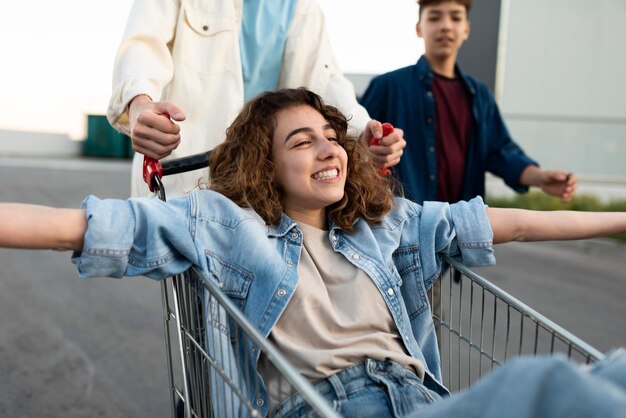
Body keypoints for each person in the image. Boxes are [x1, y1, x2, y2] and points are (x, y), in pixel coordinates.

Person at [2, 88, 626, 418]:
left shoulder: (382, 225)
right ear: (263, 163)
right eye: (303, 141)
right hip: (329, 407)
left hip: (424, 400)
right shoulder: (224, 224)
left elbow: (502, 223)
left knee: (612, 373)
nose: (329, 149)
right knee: (543, 385)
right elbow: (75, 226)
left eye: (332, 138)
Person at [107, 0, 405, 198]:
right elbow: (143, 46)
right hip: (190, 183)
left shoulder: (302, 6)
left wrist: (364, 132)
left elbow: (325, 79)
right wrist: (139, 105)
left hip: (266, 188)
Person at [359, 0, 577, 205]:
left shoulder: (480, 95)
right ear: (419, 28)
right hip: (403, 231)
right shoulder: (388, 86)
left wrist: (540, 177)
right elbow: (355, 144)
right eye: (435, 18)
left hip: (463, 233)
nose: (445, 26)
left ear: (467, 29)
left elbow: (502, 153)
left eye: (455, 18)